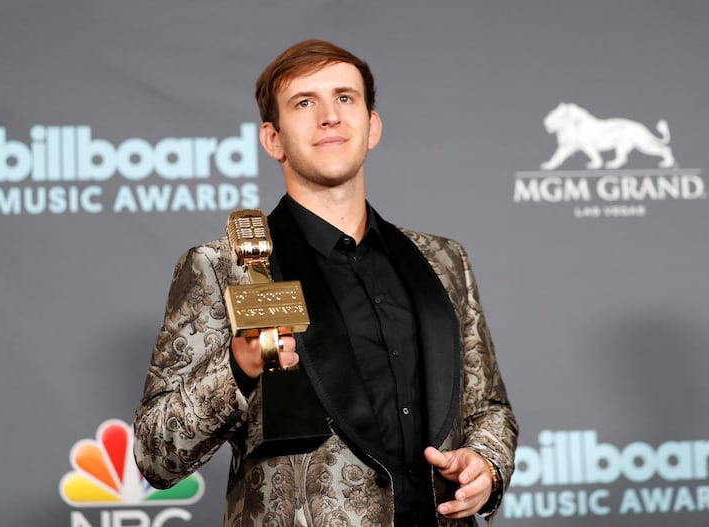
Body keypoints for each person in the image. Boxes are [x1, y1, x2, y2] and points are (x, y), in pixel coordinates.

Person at [133, 39, 518, 527]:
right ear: (273, 139)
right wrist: (237, 368)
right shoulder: (222, 265)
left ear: (372, 126)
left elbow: (489, 409)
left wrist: (484, 463)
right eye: (304, 103)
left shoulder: (443, 260)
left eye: (345, 98)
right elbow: (155, 453)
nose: (330, 116)